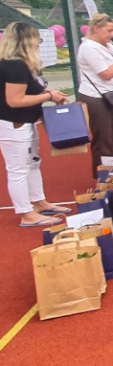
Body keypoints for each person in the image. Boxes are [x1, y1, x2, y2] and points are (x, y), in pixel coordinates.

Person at [0, 21, 71, 226]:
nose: (39, 43)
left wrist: (47, 95)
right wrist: (48, 96)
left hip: (26, 121)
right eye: (36, 39)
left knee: (33, 163)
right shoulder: (14, 66)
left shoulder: (23, 65)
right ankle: (26, 213)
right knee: (17, 169)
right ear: (25, 40)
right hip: (13, 123)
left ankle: (39, 202)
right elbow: (15, 100)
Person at [77, 13, 113, 177]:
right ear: (96, 28)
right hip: (95, 98)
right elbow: (106, 74)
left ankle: (111, 173)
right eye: (109, 31)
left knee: (112, 139)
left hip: (110, 95)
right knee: (103, 139)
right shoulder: (88, 48)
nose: (112, 35)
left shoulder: (108, 46)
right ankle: (102, 178)